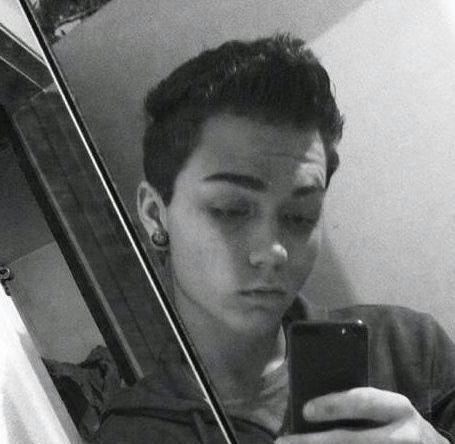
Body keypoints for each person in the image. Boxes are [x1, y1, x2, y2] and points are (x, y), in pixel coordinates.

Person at [96, 34, 455, 443]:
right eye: (230, 210)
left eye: (301, 216)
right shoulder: (134, 435)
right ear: (153, 213)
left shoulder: (407, 348)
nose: (273, 251)